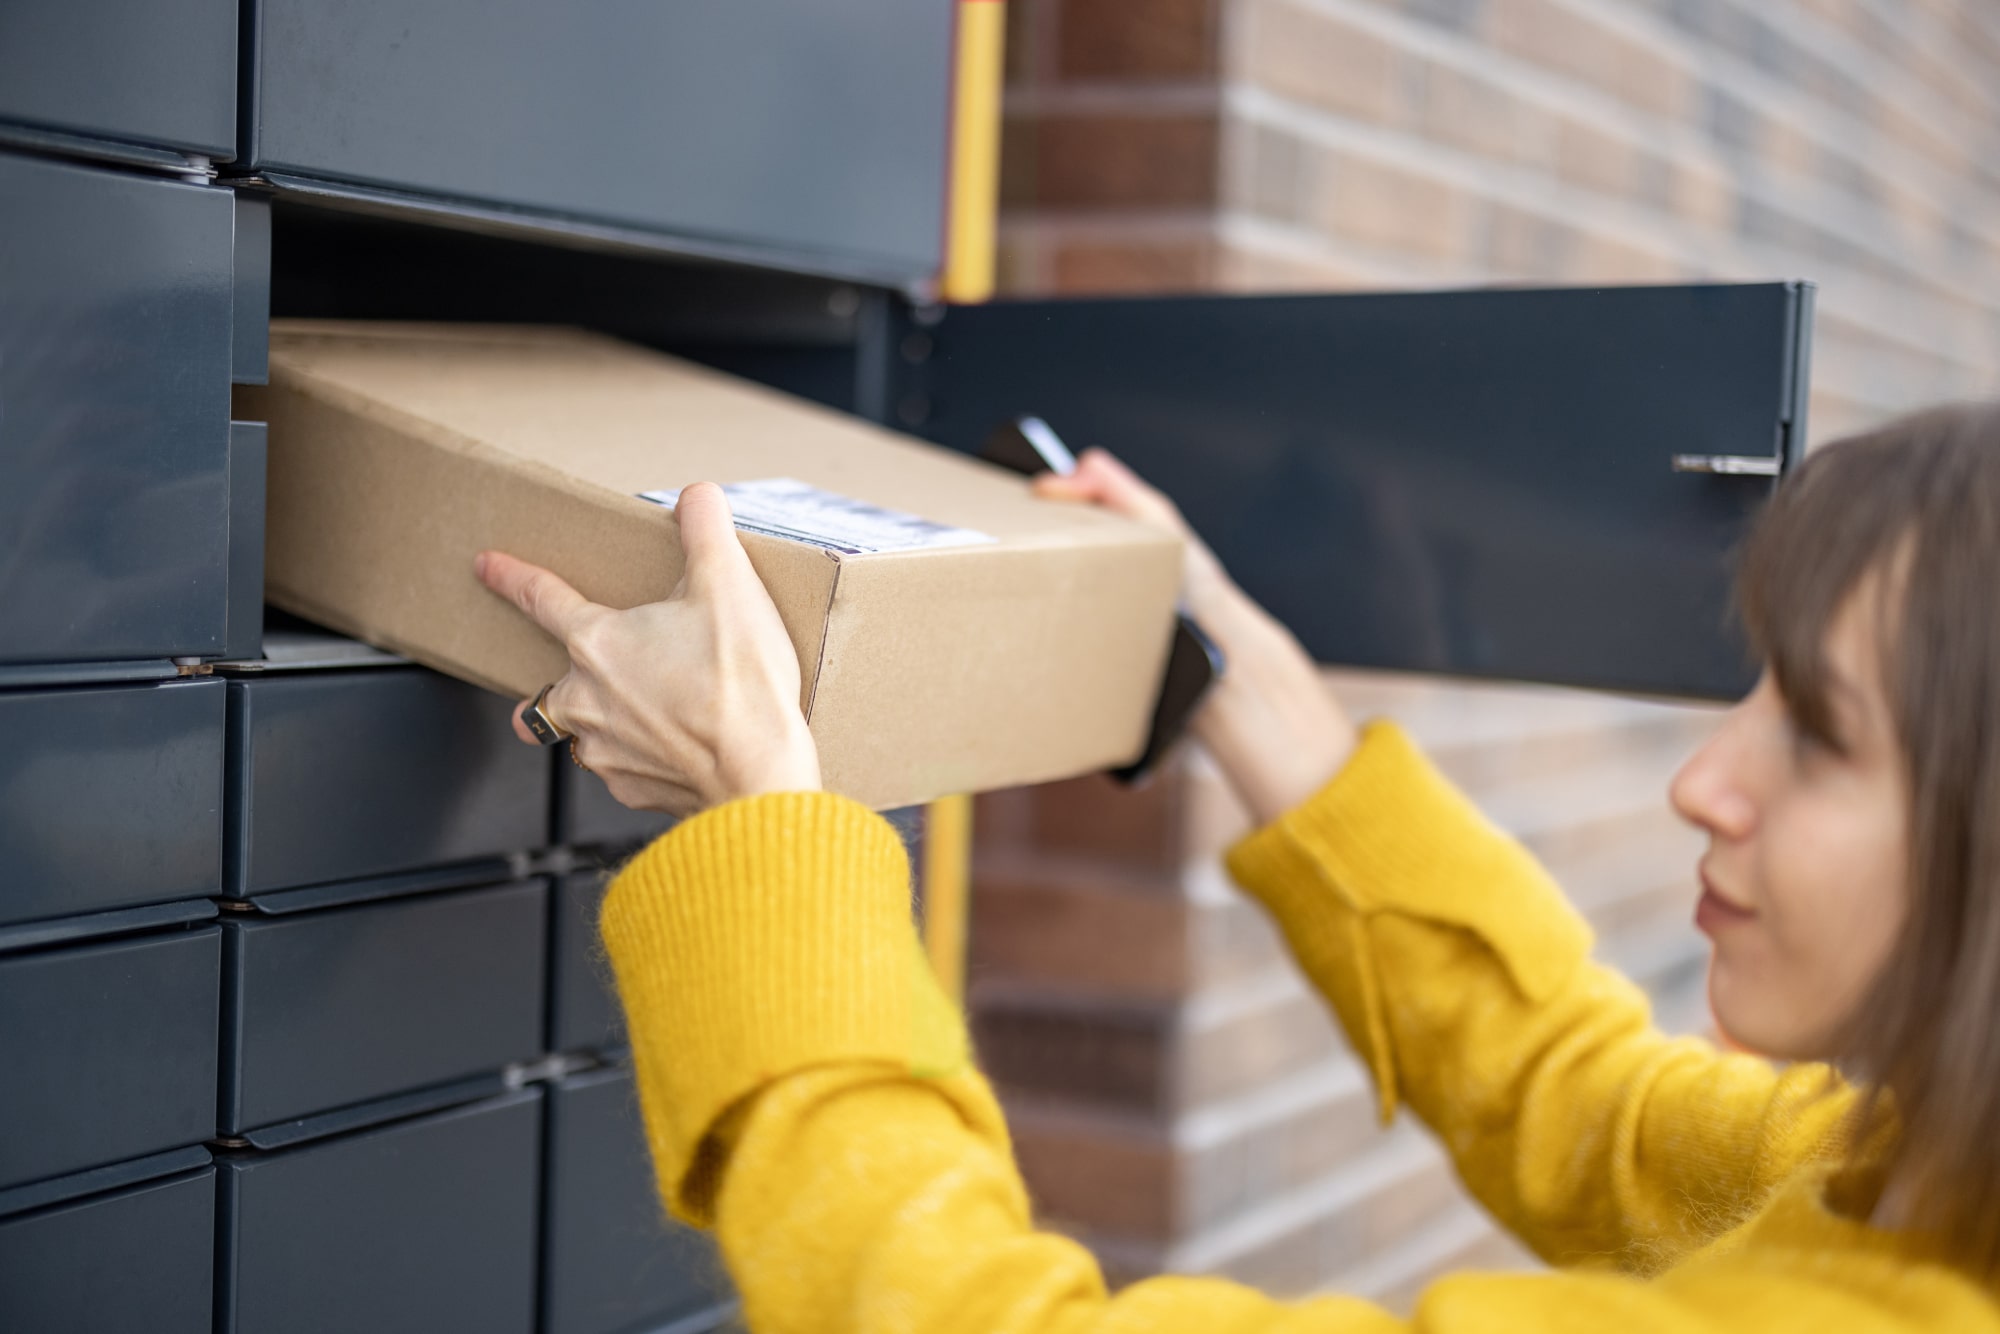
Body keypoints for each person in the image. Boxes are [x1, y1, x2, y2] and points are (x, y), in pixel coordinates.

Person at [473, 401, 2000, 1330]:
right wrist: (1251, 685)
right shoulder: (1904, 1175)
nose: (1702, 780)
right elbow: (1587, 1108)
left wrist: (766, 828)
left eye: (1822, 738)